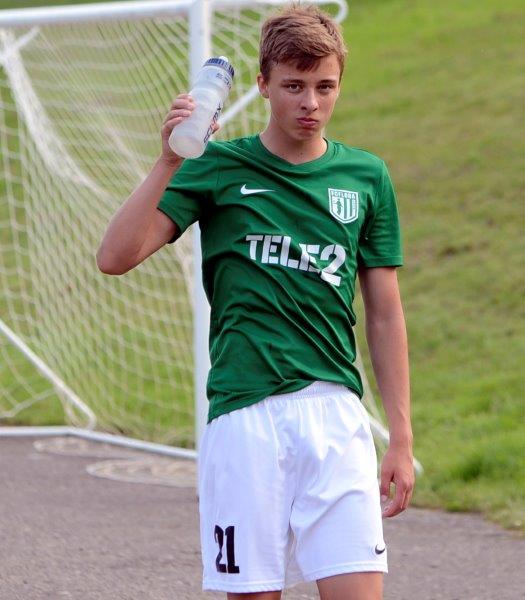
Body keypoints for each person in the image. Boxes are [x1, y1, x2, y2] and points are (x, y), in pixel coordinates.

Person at [96, 4, 414, 599]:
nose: (310, 103)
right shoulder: (217, 166)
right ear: (264, 84)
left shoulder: (367, 176)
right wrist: (168, 160)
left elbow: (385, 313)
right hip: (246, 417)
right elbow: (115, 257)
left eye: (325, 86)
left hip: (336, 417)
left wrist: (400, 436)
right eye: (293, 86)